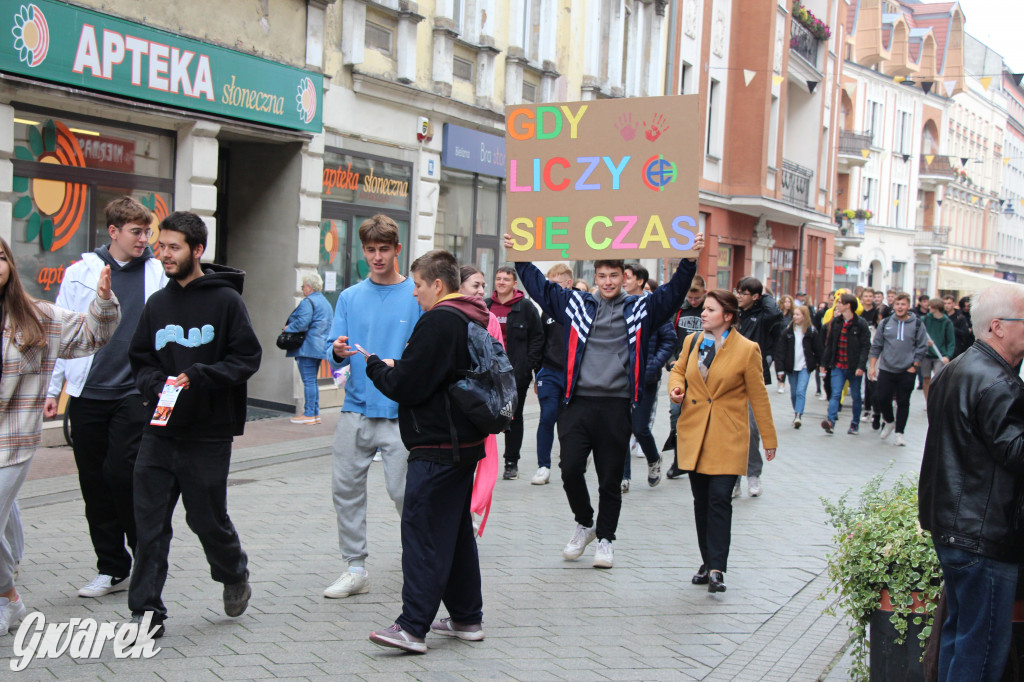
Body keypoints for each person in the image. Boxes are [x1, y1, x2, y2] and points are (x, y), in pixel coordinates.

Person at [507, 233, 702, 569]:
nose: (608, 282)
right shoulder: (577, 305)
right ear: (594, 276)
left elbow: (673, 294)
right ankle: (585, 524)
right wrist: (520, 256)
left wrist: (689, 261)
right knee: (569, 469)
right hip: (578, 402)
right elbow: (541, 288)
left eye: (614, 275)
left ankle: (606, 539)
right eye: (602, 275)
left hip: (617, 404)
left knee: (610, 478)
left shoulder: (640, 308)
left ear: (624, 277)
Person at [127, 211, 262, 637]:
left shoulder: (227, 302)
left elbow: (247, 358)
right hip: (159, 430)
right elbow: (141, 359)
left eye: (174, 247)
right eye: (161, 246)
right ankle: (146, 612)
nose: (164, 254)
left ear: (197, 250)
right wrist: (155, 383)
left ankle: (233, 571)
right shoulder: (157, 304)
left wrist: (201, 375)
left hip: (208, 432)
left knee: (206, 519)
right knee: (149, 527)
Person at [363, 249, 488, 654]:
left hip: (437, 444)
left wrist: (377, 368)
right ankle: (467, 618)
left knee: (423, 534)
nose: (414, 292)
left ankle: (412, 627)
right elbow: (435, 373)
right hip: (462, 442)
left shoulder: (439, 320)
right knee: (455, 533)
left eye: (418, 285)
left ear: (437, 284)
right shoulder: (469, 315)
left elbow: (408, 385)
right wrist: (402, 367)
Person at [43, 196, 165, 599]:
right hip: (88, 392)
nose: (144, 239)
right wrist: (53, 389)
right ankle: (112, 567)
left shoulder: (158, 273)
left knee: (123, 474)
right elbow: (60, 330)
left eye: (147, 232)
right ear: (113, 231)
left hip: (135, 392)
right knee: (93, 482)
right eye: (136, 232)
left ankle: (144, 555)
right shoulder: (80, 272)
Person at [0, 237, 120, 634]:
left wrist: (103, 301)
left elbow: (92, 336)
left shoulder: (36, 315)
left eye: (0, 258)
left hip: (11, 440)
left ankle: (6, 597)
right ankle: (9, 594)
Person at [918, 283, 1024, 682]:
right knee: (981, 650)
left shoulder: (955, 369)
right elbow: (1016, 453)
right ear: (998, 326)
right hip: (983, 533)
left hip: (954, 526)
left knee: (961, 636)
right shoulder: (999, 383)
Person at [324, 214, 421, 599]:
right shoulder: (349, 297)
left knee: (404, 493)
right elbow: (334, 353)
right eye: (370, 250)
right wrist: (336, 351)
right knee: (345, 490)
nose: (377, 257)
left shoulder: (416, 293)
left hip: (401, 412)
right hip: (356, 408)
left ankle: (420, 558)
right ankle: (355, 568)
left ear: (398, 249)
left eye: (383, 249)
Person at [669, 290, 777, 594]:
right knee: (702, 501)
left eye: (711, 310)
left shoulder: (747, 349)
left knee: (719, 499)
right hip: (695, 432)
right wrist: (676, 389)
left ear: (728, 316)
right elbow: (678, 370)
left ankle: (717, 568)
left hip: (728, 435)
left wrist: (769, 438)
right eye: (704, 309)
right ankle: (707, 562)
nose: (703, 314)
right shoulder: (693, 342)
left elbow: (758, 395)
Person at [486, 266, 543, 481]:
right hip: (489, 373)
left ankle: (511, 462)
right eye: (498, 278)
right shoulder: (486, 306)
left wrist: (529, 366)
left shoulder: (525, 307)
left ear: (514, 284)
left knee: (513, 417)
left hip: (515, 374)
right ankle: (481, 460)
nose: (501, 282)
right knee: (484, 414)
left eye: (506, 279)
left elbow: (537, 338)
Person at [621, 263, 675, 492]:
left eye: (627, 277)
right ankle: (623, 476)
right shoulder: (617, 303)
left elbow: (669, 340)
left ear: (640, 281)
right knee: (621, 429)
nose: (622, 281)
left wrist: (652, 365)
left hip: (646, 378)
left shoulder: (654, 306)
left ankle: (654, 459)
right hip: (619, 378)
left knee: (640, 427)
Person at [459, 265, 502, 534]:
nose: (481, 291)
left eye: (483, 286)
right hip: (453, 402)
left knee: (482, 463)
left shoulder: (490, 318)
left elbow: (500, 362)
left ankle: (471, 514)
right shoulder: (447, 315)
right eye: (475, 285)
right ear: (459, 285)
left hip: (481, 403)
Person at [734, 276, 781, 498]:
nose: (738, 296)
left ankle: (753, 473)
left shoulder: (762, 316)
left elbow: (775, 313)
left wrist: (764, 295)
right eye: (737, 291)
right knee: (732, 430)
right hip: (729, 376)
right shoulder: (733, 314)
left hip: (752, 377)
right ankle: (733, 478)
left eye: (743, 293)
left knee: (751, 428)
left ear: (755, 296)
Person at [868, 292, 928, 447]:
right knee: (882, 398)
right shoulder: (886, 323)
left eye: (903, 304)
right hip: (887, 368)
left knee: (903, 402)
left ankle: (899, 433)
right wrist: (872, 366)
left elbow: (922, 346)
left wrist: (914, 366)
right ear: (893, 306)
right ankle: (889, 421)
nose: (900, 307)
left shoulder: (917, 324)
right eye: (897, 304)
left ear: (908, 306)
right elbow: (877, 345)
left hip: (907, 370)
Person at [533, 264, 573, 486]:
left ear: (568, 283)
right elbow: (541, 341)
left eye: (556, 284)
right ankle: (543, 466)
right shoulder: (546, 309)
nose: (552, 289)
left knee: (568, 421)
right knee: (547, 416)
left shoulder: (580, 306)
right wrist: (536, 374)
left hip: (572, 374)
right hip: (549, 371)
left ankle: (569, 461)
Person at [666, 275, 706, 480]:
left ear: (704, 293)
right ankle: (679, 459)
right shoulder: (679, 310)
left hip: (704, 374)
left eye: (697, 298)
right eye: (690, 297)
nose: (693, 301)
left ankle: (698, 458)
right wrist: (671, 360)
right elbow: (669, 337)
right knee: (676, 414)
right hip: (681, 370)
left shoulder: (709, 311)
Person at [283, 273, 333, 425]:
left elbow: (302, 323)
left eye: (303, 286)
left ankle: (309, 413)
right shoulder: (325, 302)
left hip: (307, 347)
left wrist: (288, 328)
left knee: (309, 381)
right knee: (313, 381)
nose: (302, 289)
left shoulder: (308, 302)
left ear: (310, 287)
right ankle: (315, 414)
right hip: (320, 346)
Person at [819, 293, 870, 435]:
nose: (837, 305)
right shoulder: (836, 322)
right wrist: (824, 362)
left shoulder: (860, 324)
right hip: (838, 365)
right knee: (835, 394)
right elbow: (830, 344)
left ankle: (854, 424)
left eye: (840, 302)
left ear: (848, 305)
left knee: (856, 397)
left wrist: (861, 366)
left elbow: (865, 346)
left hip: (854, 367)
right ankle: (831, 422)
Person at [774, 305, 820, 428]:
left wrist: (818, 364)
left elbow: (818, 349)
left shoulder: (811, 331)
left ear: (804, 316)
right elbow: (780, 351)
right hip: (791, 367)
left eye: (798, 314)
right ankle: (796, 412)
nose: (795, 316)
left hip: (805, 366)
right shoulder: (788, 332)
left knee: (801, 391)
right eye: (794, 314)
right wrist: (780, 370)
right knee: (794, 393)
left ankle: (798, 415)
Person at [920, 298, 954, 403]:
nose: (929, 308)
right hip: (926, 355)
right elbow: (918, 336)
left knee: (937, 380)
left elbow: (951, 342)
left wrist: (948, 356)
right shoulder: (924, 319)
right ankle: (928, 402)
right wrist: (925, 341)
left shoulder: (947, 322)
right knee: (926, 378)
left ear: (936, 308)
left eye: (931, 307)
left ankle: (936, 402)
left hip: (940, 356)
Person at [774, 295, 794, 394]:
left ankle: (782, 382)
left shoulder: (792, 316)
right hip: (777, 341)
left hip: (788, 342)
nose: (787, 304)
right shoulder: (778, 314)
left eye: (789, 302)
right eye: (786, 302)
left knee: (785, 361)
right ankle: (779, 379)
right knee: (778, 362)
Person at [943, 294, 972, 359]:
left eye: (949, 303)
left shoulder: (960, 317)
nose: (946, 305)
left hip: (956, 348)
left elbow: (965, 332)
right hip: (943, 349)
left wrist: (951, 328)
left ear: (953, 304)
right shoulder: (941, 315)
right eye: (945, 303)